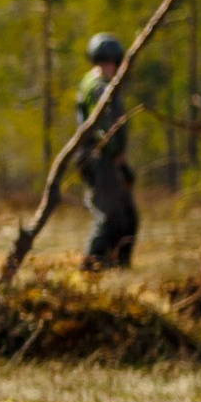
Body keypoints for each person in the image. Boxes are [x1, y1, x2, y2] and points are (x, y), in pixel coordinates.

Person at [73, 33, 137, 270]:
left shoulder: (90, 83)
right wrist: (115, 154)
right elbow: (104, 128)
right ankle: (91, 269)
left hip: (102, 159)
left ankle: (117, 269)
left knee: (126, 217)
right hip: (100, 160)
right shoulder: (99, 88)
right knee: (110, 217)